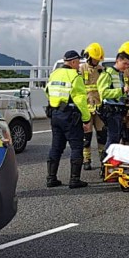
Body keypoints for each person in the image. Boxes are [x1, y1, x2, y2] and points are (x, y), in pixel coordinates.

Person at [45, 50, 90, 189]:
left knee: (56, 147)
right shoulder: (75, 76)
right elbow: (81, 100)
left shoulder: (54, 74)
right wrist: (86, 119)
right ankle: (74, 180)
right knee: (77, 146)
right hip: (70, 116)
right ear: (73, 62)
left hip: (55, 114)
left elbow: (47, 91)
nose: (79, 65)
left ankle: (51, 178)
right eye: (78, 62)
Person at [97, 50, 129, 158]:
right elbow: (103, 92)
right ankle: (105, 164)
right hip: (110, 110)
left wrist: (128, 98)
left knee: (117, 138)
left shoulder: (120, 75)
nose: (126, 66)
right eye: (124, 63)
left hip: (119, 110)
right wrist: (122, 90)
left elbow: (119, 93)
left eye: (128, 64)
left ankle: (111, 163)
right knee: (112, 138)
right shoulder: (107, 73)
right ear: (118, 61)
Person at [79, 42, 106, 171]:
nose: (97, 61)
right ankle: (86, 159)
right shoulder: (81, 69)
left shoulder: (101, 69)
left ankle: (102, 158)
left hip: (99, 107)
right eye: (95, 58)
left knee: (102, 135)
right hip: (86, 107)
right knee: (87, 136)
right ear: (89, 57)